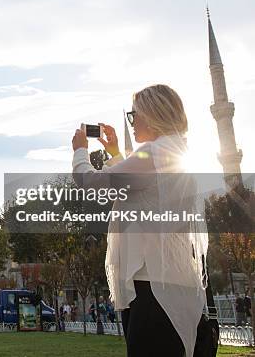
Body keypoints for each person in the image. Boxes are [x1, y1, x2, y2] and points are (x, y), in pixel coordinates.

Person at [72, 84, 207, 357]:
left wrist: (80, 151)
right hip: (172, 284)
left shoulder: (156, 154)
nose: (132, 123)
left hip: (152, 290)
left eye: (135, 115)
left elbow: (92, 182)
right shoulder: (174, 152)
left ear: (153, 114)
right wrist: (114, 153)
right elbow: (136, 189)